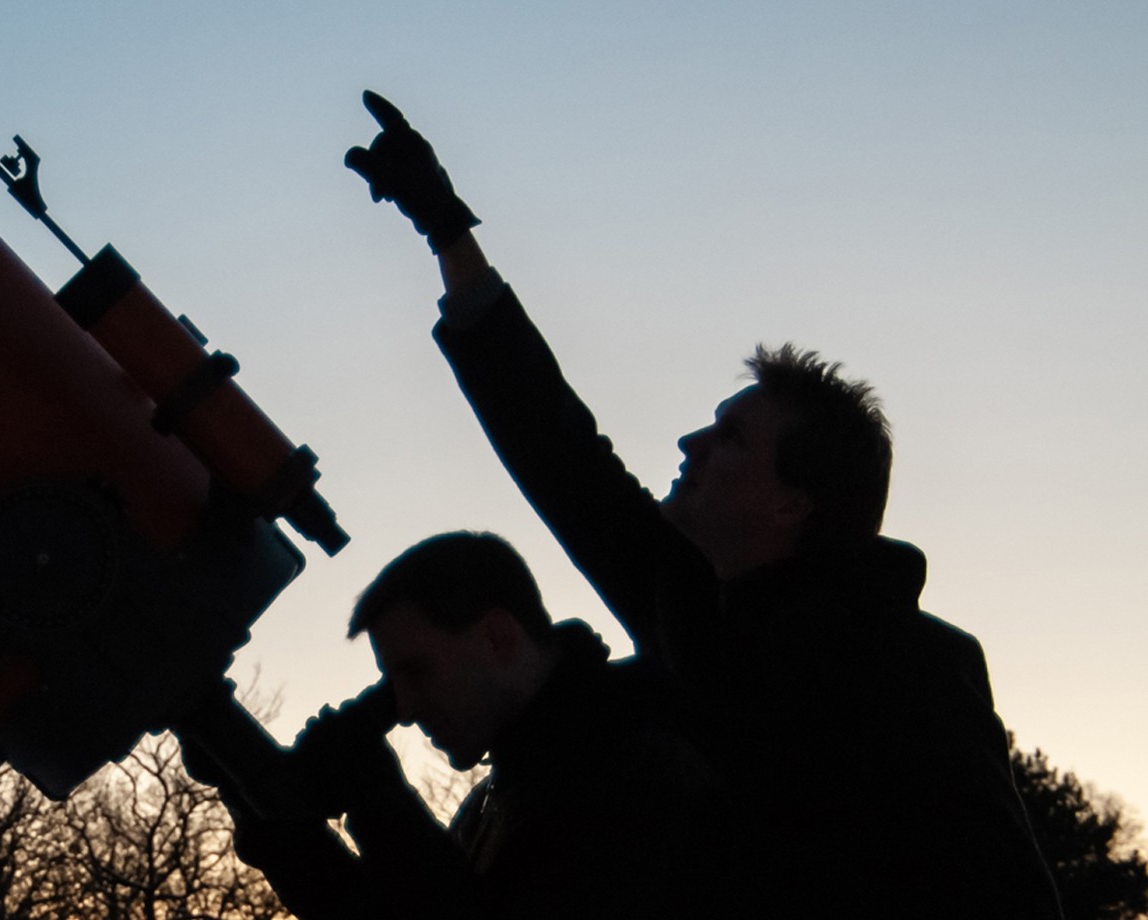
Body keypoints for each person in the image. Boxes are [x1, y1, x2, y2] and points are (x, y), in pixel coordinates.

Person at [344, 91, 1061, 918]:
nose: (691, 445)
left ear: (794, 501)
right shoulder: (689, 604)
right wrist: (446, 232)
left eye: (731, 438)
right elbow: (559, 450)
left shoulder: (910, 669)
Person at [193, 531, 721, 919]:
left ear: (498, 637)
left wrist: (378, 801)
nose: (403, 709)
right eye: (391, 685)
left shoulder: (643, 768)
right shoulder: (505, 798)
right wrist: (269, 811)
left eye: (417, 671)